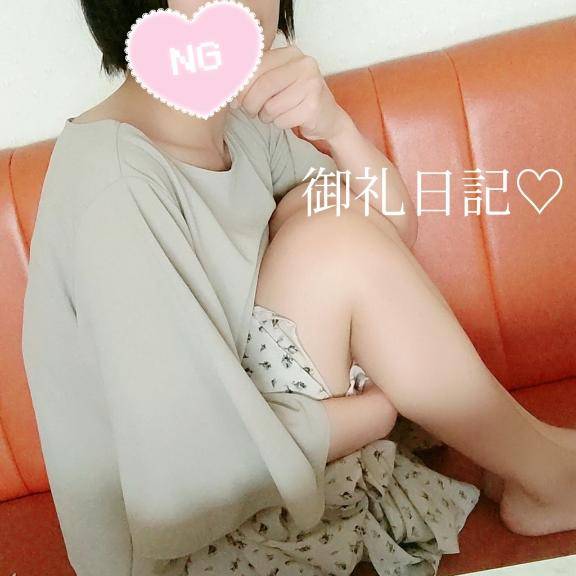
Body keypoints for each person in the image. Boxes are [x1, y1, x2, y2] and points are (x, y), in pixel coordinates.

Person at [21, 1, 576, 575]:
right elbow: (189, 471)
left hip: (288, 463)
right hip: (195, 545)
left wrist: (334, 126)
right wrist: (382, 409)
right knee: (328, 238)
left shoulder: (236, 126)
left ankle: (534, 460)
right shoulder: (114, 183)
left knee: (321, 210)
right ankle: (545, 476)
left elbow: (386, 229)